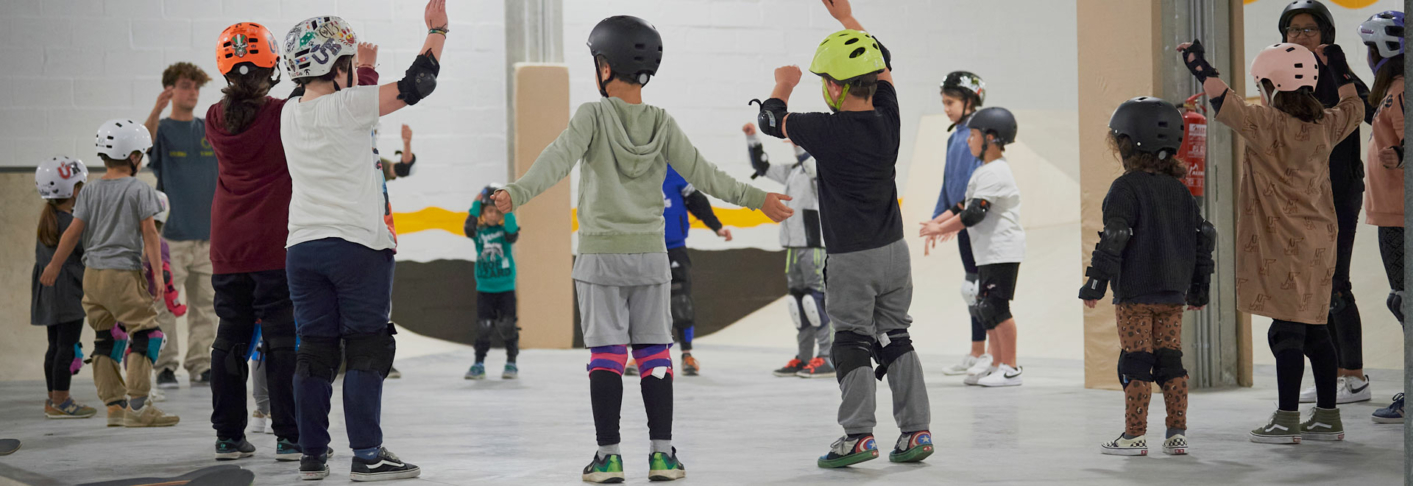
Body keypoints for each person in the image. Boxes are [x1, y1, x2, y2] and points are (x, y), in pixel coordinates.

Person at [491, 14, 791, 482]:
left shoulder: (592, 115)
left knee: (606, 354)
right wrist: (758, 200)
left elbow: (556, 160)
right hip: (652, 256)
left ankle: (608, 456)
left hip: (599, 258)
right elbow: (706, 175)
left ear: (605, 68)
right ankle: (663, 455)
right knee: (654, 353)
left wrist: (518, 192)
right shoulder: (662, 122)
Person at [754, 0, 933, 468]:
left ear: (833, 87)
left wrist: (784, 83)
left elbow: (771, 120)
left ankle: (858, 436)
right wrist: (848, 21)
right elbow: (885, 62)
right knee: (897, 336)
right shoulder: (888, 117)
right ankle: (916, 432)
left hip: (852, 258)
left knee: (851, 339)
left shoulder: (825, 129)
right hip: (896, 252)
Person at [280, 1, 446, 479]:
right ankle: (368, 455)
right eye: (347, 62)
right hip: (356, 246)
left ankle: (312, 455)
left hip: (302, 249)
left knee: (314, 350)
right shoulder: (348, 104)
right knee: (367, 348)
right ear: (335, 65)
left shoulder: (290, 114)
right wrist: (438, 31)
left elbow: (354, 117)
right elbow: (419, 83)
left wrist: (364, 69)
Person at [1178, 37, 1363, 443]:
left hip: (1281, 243)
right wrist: (1339, 66)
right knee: (1315, 328)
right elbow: (1355, 107)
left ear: (1269, 84)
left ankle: (1286, 418)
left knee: (1286, 333)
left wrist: (1198, 64)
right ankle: (1328, 417)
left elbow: (1222, 99)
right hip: (1320, 241)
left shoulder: (1266, 124)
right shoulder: (1326, 124)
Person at [205, 22, 359, 463]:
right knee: (281, 340)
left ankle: (227, 437)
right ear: (274, 64)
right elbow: (333, 103)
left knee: (229, 339)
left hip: (227, 246)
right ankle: (289, 437)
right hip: (273, 243)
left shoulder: (214, 118)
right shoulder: (282, 113)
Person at [1079, 97, 1215, 456]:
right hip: (1173, 293)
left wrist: (1096, 282)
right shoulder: (1181, 191)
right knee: (1170, 359)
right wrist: (1199, 290)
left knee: (1136, 360)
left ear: (1126, 143)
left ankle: (1134, 435)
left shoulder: (1125, 188)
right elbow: (1204, 239)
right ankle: (1177, 434)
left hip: (1136, 294)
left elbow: (1116, 236)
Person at [40, 119, 179, 428]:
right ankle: (139, 407)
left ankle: (114, 407)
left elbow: (73, 234)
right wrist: (157, 274)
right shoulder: (140, 189)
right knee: (148, 334)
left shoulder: (88, 191)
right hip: (122, 275)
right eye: (141, 154)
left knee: (106, 338)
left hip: (93, 276)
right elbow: (150, 235)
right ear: (133, 156)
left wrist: (54, 265)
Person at [1279, 0, 1376, 406]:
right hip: (1299, 195)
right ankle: (1332, 373)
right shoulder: (1281, 74)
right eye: (1294, 29)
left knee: (1336, 282)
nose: (1300, 36)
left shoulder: (1338, 71)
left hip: (1338, 190)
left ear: (1326, 34)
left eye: (1309, 29)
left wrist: (1338, 67)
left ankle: (1353, 376)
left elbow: (1369, 110)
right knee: (1312, 285)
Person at [921, 107, 1026, 388]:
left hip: (1002, 250)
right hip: (988, 251)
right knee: (986, 308)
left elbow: (973, 214)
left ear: (990, 137)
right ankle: (995, 362)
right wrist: (937, 222)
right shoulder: (984, 171)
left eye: (973, 135)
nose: (968, 140)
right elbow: (962, 206)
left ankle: (1011, 367)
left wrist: (941, 228)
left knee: (998, 308)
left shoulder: (996, 172)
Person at [145, 61, 219, 389]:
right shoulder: (161, 130)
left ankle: (201, 364)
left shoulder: (208, 129)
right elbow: (141, 149)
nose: (192, 93)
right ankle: (165, 366)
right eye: (186, 86)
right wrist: (155, 111)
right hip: (171, 236)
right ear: (171, 89)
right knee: (164, 307)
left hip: (209, 236)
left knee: (207, 307)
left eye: (196, 87)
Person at [745, 122, 833, 378]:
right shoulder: (796, 170)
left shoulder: (820, 167)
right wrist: (752, 140)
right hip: (793, 245)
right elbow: (762, 168)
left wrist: (798, 144)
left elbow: (812, 168)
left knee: (815, 301)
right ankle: (804, 357)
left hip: (814, 245)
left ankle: (826, 356)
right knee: (798, 302)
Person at [629, 165, 733, 377]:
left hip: (675, 247)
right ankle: (641, 355)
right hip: (643, 248)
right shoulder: (629, 173)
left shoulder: (673, 171)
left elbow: (696, 201)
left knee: (681, 302)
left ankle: (687, 355)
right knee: (643, 304)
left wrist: (716, 226)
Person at [1358, 10, 1407, 424]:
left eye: (1370, 48)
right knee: (1403, 301)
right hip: (1391, 213)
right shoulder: (1391, 89)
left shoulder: (1403, 88)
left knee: (1405, 302)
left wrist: (1403, 154)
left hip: (1400, 214)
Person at [932, 70, 993, 378]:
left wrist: (952, 218)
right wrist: (937, 217)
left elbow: (972, 183)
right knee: (971, 287)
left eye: (951, 102)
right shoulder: (953, 136)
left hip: (975, 220)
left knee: (978, 288)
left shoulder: (976, 133)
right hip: (960, 219)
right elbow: (948, 181)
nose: (947, 107)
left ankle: (988, 355)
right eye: (944, 102)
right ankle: (976, 351)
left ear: (970, 101)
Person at [33, 156, 97, 420]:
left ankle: (52, 399)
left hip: (48, 294)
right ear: (74, 191)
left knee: (55, 346)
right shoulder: (72, 223)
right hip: (68, 293)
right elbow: (85, 256)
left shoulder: (48, 218)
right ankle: (62, 401)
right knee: (67, 347)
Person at [464, 184, 521, 380]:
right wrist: (477, 202)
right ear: (483, 212)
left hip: (505, 287)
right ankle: (479, 363)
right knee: (484, 326)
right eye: (489, 211)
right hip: (485, 288)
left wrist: (508, 208)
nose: (493, 215)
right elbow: (468, 226)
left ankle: (511, 361)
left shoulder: (505, 232)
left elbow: (513, 232)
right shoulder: (478, 232)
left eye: (497, 212)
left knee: (507, 325)